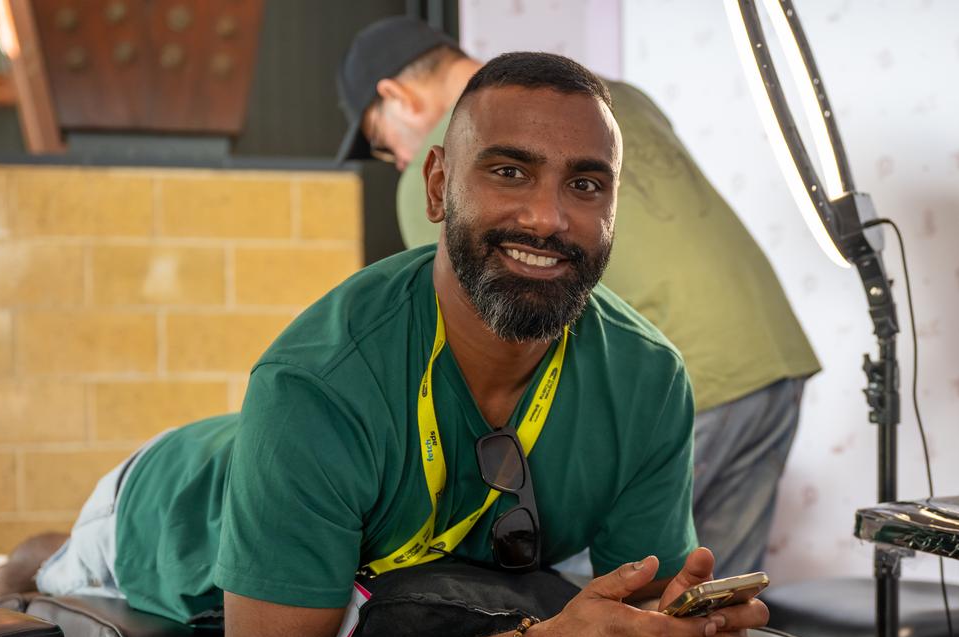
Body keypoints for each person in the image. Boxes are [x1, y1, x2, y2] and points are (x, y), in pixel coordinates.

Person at [0, 53, 768, 637]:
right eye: (508, 171)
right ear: (437, 188)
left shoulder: (647, 380)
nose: (549, 217)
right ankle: (14, 565)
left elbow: (641, 610)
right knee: (49, 566)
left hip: (350, 512)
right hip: (168, 504)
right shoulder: (315, 386)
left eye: (587, 185)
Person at [336, 17, 821, 576]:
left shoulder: (448, 160)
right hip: (771, 349)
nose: (398, 160)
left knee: (584, 606)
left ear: (396, 96)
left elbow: (480, 339)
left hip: (685, 371)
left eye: (380, 141)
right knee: (706, 598)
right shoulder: (613, 102)